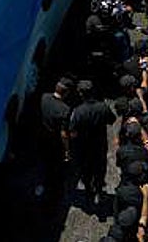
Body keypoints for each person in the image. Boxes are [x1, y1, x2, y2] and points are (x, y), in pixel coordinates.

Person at [67, 79, 114, 207]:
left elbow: (72, 133)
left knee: (86, 171)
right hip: (100, 146)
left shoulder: (77, 111)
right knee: (100, 170)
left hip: (84, 148)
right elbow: (112, 120)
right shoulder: (103, 107)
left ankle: (88, 192)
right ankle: (99, 190)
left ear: (81, 94)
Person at [38, 78, 74, 201]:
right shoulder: (65, 109)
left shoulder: (44, 98)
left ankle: (43, 184)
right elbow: (63, 134)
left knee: (45, 163)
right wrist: (67, 150)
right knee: (55, 168)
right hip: (55, 142)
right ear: (66, 92)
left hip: (43, 137)